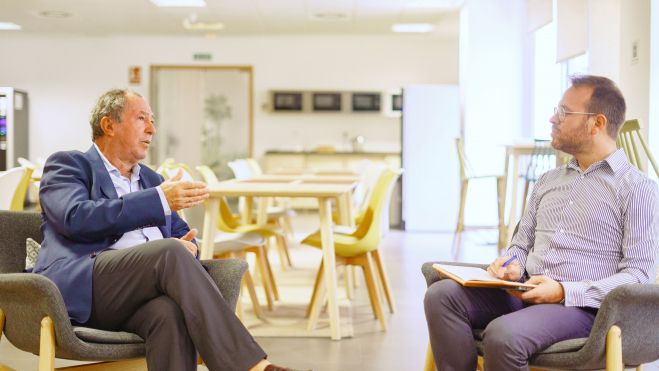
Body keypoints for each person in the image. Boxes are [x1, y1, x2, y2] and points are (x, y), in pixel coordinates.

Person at [34, 89, 304, 371]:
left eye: (153, 120)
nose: (152, 129)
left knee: (169, 313)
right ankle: (251, 367)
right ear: (108, 125)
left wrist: (188, 246)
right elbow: (75, 218)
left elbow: (182, 237)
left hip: (139, 294)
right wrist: (160, 203)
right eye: (141, 118)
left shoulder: (152, 179)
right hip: (87, 288)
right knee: (169, 252)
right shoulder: (68, 164)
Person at [424, 75, 659, 371]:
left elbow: (639, 274)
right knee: (441, 296)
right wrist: (510, 264)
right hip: (523, 293)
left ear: (596, 123)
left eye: (564, 112)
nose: (552, 118)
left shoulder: (637, 189)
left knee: (503, 336)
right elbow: (521, 244)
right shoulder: (548, 180)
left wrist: (564, 290)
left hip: (583, 309)